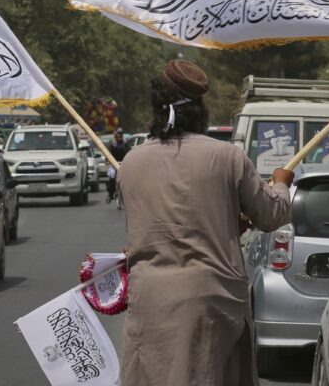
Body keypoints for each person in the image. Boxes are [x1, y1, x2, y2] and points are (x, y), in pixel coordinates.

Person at [117, 59, 294, 386]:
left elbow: (153, 229)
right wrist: (282, 183)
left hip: (151, 302)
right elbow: (272, 215)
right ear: (199, 107)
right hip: (210, 303)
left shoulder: (131, 162)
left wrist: (225, 224)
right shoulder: (228, 157)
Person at [106, 130, 131, 203]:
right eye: (116, 137)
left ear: (121, 137)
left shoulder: (126, 145)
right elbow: (108, 154)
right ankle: (110, 195)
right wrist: (107, 160)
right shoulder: (112, 146)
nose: (118, 139)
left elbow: (130, 153)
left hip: (124, 165)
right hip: (114, 164)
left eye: (119, 137)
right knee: (112, 178)